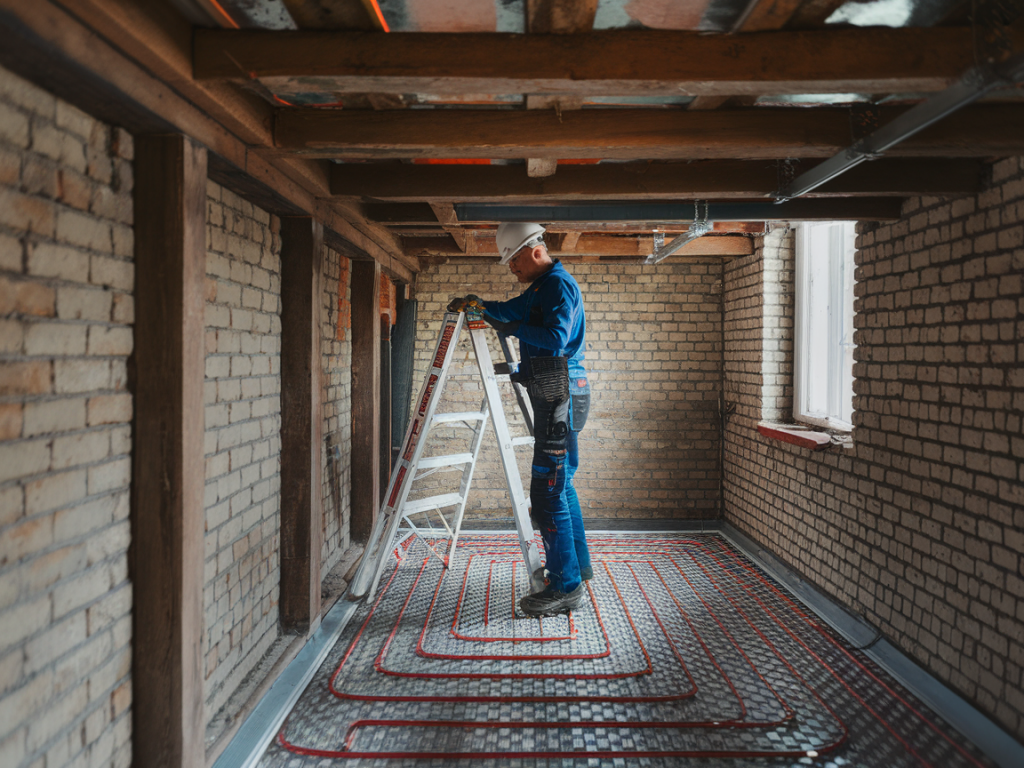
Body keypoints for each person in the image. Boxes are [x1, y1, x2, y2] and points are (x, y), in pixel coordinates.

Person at [447, 222, 592, 617]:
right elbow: (510, 310)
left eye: (512, 261)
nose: (511, 268)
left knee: (547, 493)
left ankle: (565, 587)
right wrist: (482, 306)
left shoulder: (559, 286)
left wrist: (512, 328)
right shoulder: (540, 289)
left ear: (533, 252)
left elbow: (556, 338)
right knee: (563, 485)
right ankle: (577, 570)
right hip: (556, 391)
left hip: (561, 396)